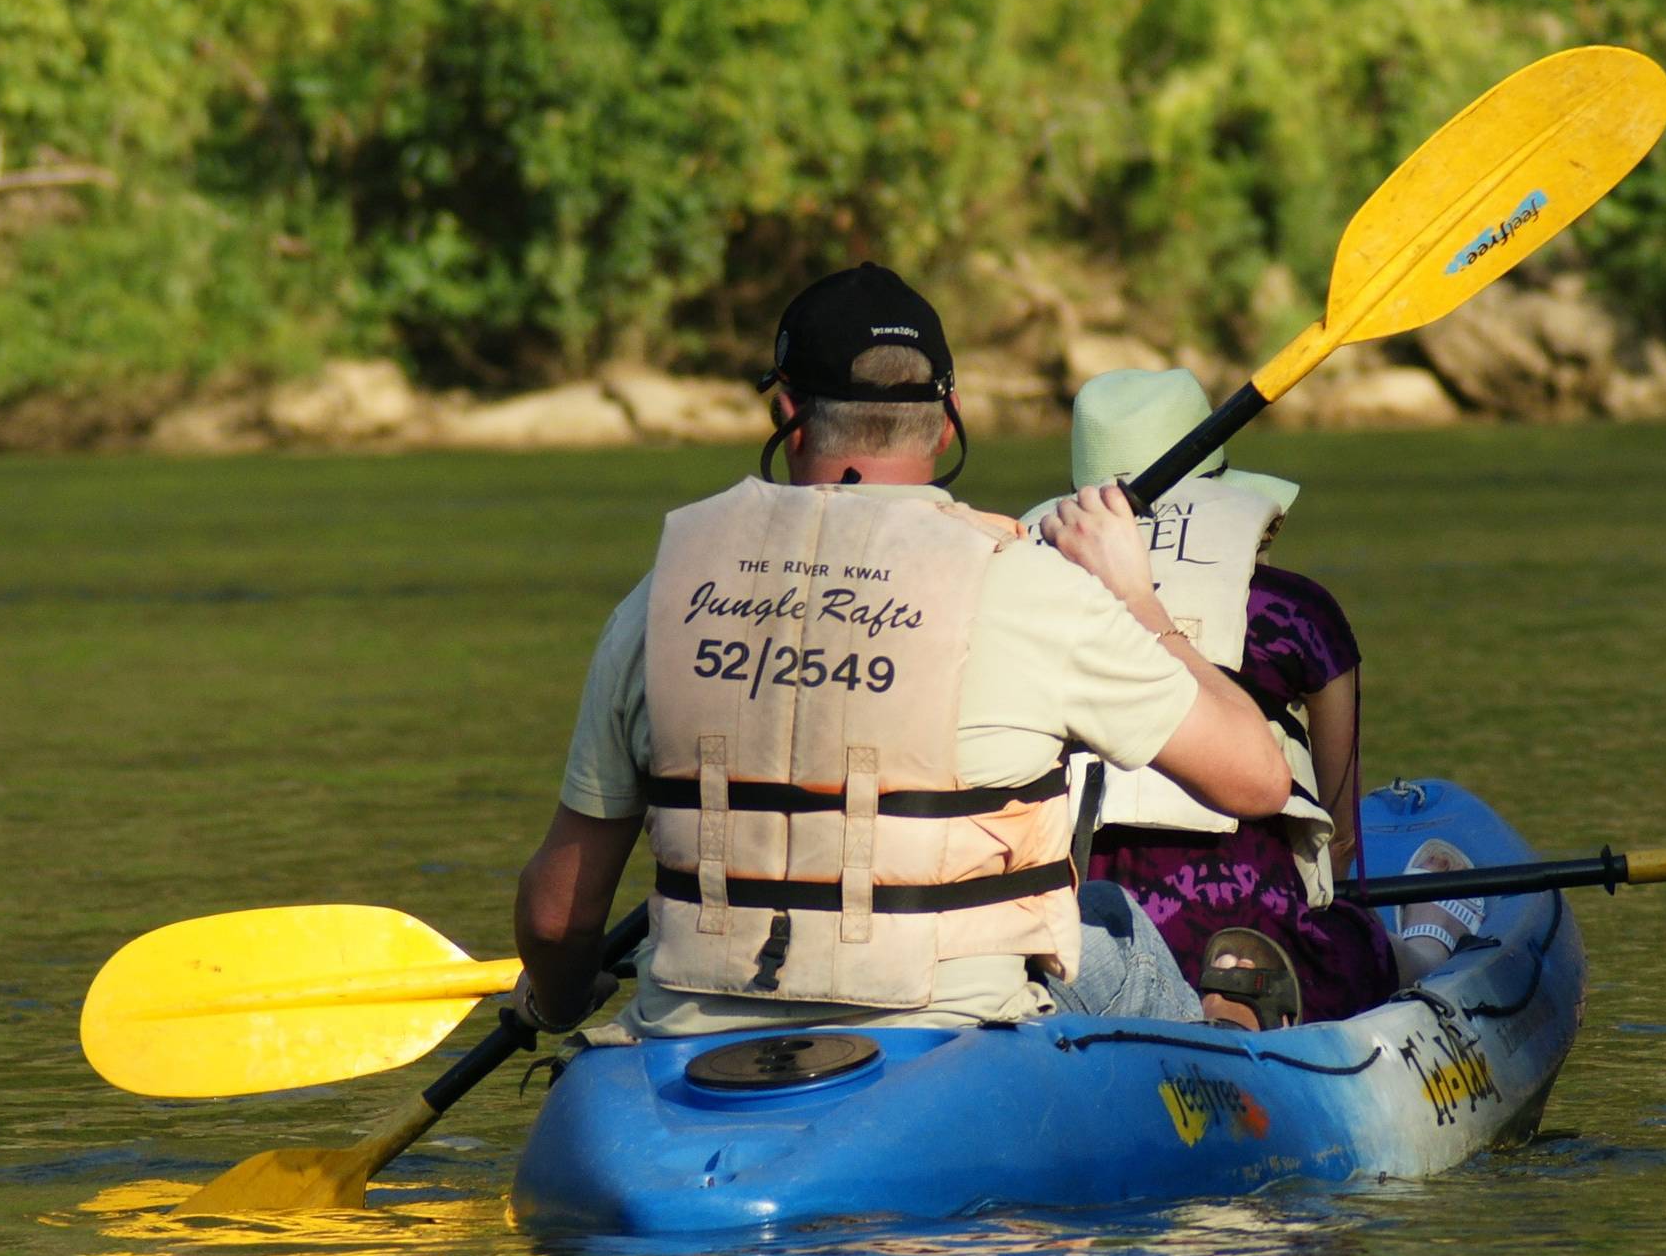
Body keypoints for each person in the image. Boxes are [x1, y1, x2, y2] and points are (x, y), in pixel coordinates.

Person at [507, 266, 1293, 1040]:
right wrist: (1137, 598)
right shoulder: (1028, 586)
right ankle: (1234, 1042)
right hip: (953, 1032)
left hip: (691, 1028)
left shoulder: (660, 598)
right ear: (948, 420)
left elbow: (555, 918)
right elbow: (1256, 781)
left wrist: (558, 999)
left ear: (786, 412)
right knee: (1110, 925)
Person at [1040, 369, 1398, 1029]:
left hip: (1086, 922)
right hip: (1251, 928)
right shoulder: (1297, 613)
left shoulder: (1026, 606)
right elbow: (1340, 839)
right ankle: (1429, 945)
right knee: (1362, 943)